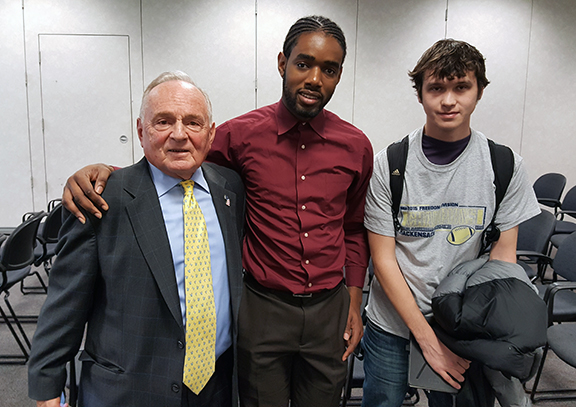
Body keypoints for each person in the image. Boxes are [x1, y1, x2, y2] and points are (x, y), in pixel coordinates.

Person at [60, 16, 373, 407]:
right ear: (282, 64)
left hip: (330, 307)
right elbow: (177, 156)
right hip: (263, 306)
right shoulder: (239, 135)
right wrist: (108, 173)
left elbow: (353, 227)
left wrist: (354, 301)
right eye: (303, 63)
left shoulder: (356, 146)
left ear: (339, 75)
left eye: (329, 69)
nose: (314, 78)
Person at [28, 72, 245, 407]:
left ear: (211, 133)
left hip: (216, 388)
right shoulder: (101, 199)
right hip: (129, 390)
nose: (179, 134)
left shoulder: (229, 189)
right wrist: (46, 389)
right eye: (163, 121)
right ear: (141, 131)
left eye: (193, 122)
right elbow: (64, 306)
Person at [362, 39, 540, 407]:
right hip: (392, 324)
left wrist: (472, 334)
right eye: (436, 88)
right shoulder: (389, 164)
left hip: (461, 326)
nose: (448, 101)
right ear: (420, 93)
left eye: (461, 87)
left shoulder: (505, 166)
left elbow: (501, 262)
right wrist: (427, 340)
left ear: (479, 91)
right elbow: (383, 260)